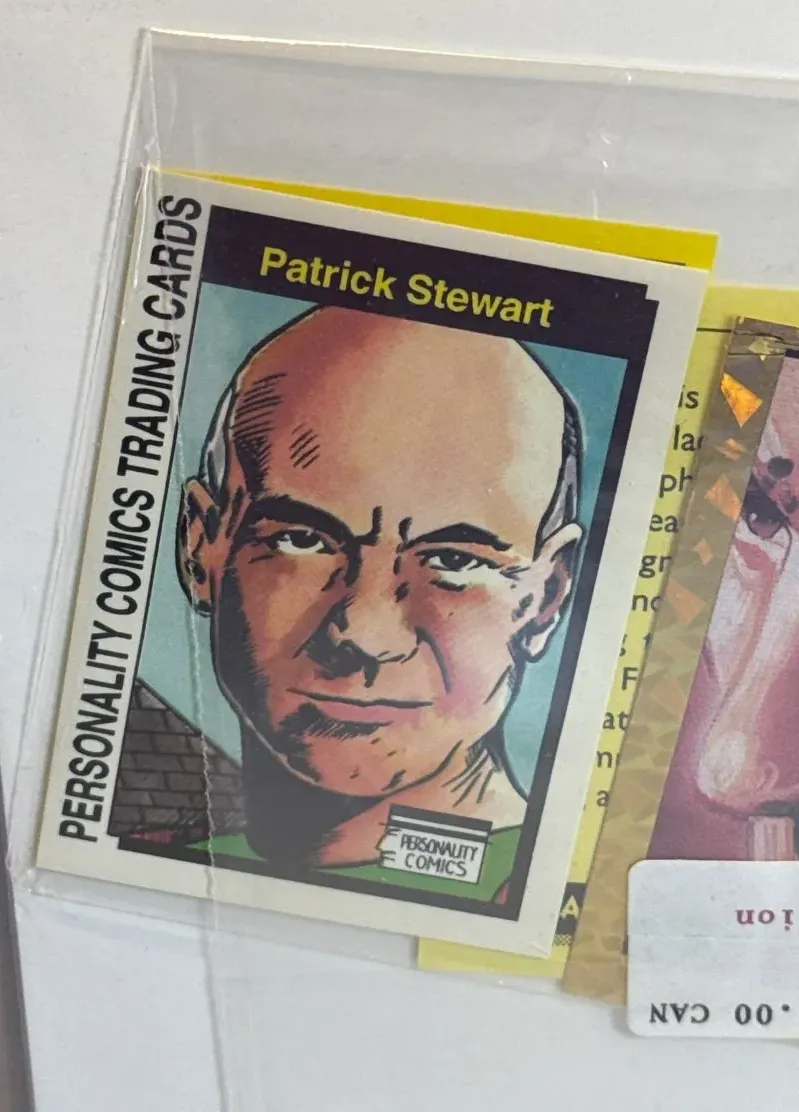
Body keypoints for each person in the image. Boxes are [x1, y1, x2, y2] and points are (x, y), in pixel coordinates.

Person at [176, 306, 583, 886]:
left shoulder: (544, 891)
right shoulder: (168, 866)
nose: (364, 636)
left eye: (454, 561)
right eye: (303, 540)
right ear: (200, 549)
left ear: (545, 599)